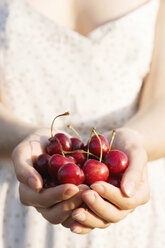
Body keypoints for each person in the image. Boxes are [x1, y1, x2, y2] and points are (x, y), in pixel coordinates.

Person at [0, 0, 165, 247]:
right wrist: (28, 140)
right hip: (25, 189)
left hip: (128, 189)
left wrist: (135, 140)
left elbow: (160, 101)